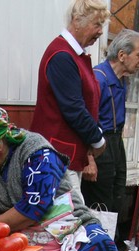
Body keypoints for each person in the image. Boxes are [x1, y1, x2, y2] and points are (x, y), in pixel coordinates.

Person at [0, 105, 118, 251]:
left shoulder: (38, 154)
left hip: (67, 228)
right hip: (20, 238)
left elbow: (34, 208)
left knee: (101, 250)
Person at [30, 0, 110, 188]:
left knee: (70, 214)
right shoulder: (62, 55)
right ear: (77, 20)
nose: (100, 31)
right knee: (66, 215)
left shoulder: (73, 54)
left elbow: (86, 106)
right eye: (97, 24)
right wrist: (98, 141)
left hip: (65, 156)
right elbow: (74, 109)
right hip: (56, 158)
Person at [86, 29, 139, 243]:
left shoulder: (121, 80)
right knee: (99, 200)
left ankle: (113, 244)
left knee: (117, 194)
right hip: (99, 143)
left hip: (115, 142)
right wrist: (89, 160)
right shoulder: (98, 79)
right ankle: (98, 246)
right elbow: (85, 122)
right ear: (122, 55)